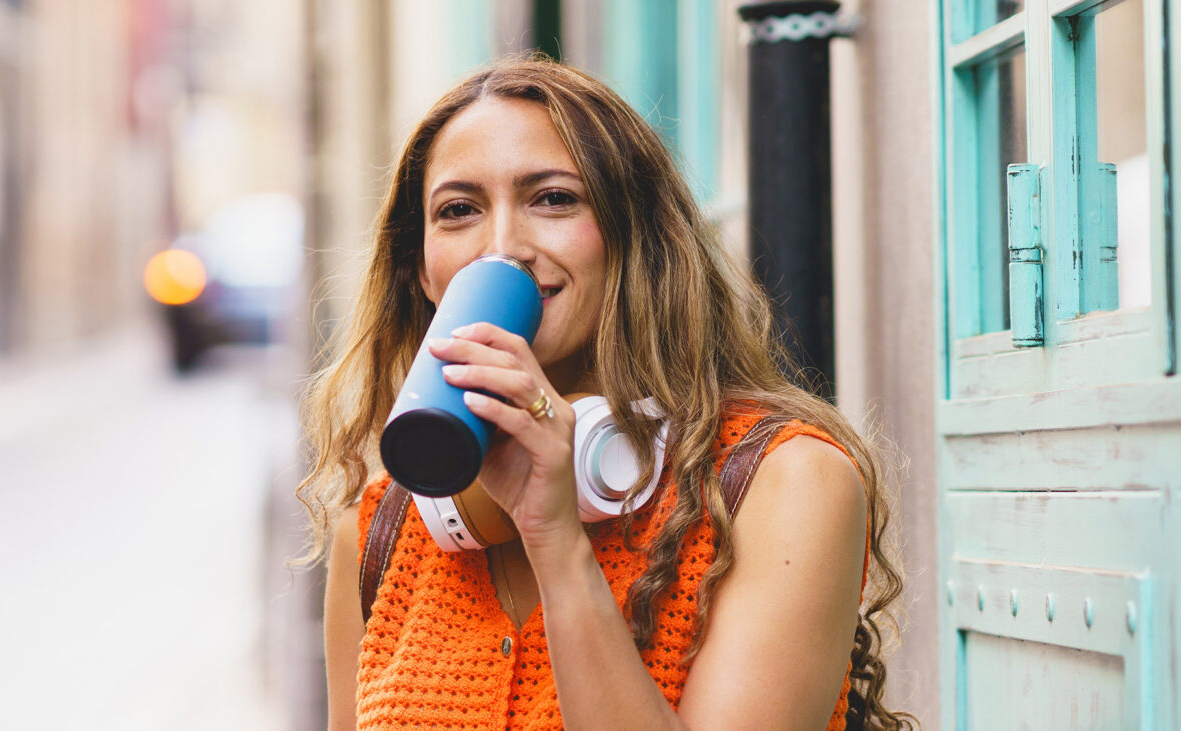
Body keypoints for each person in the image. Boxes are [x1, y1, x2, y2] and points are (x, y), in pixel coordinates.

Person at [299, 56, 914, 730]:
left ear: (634, 238)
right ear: (422, 269)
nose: (502, 248)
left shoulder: (783, 483)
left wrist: (556, 541)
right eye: (458, 210)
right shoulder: (378, 530)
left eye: (554, 198)